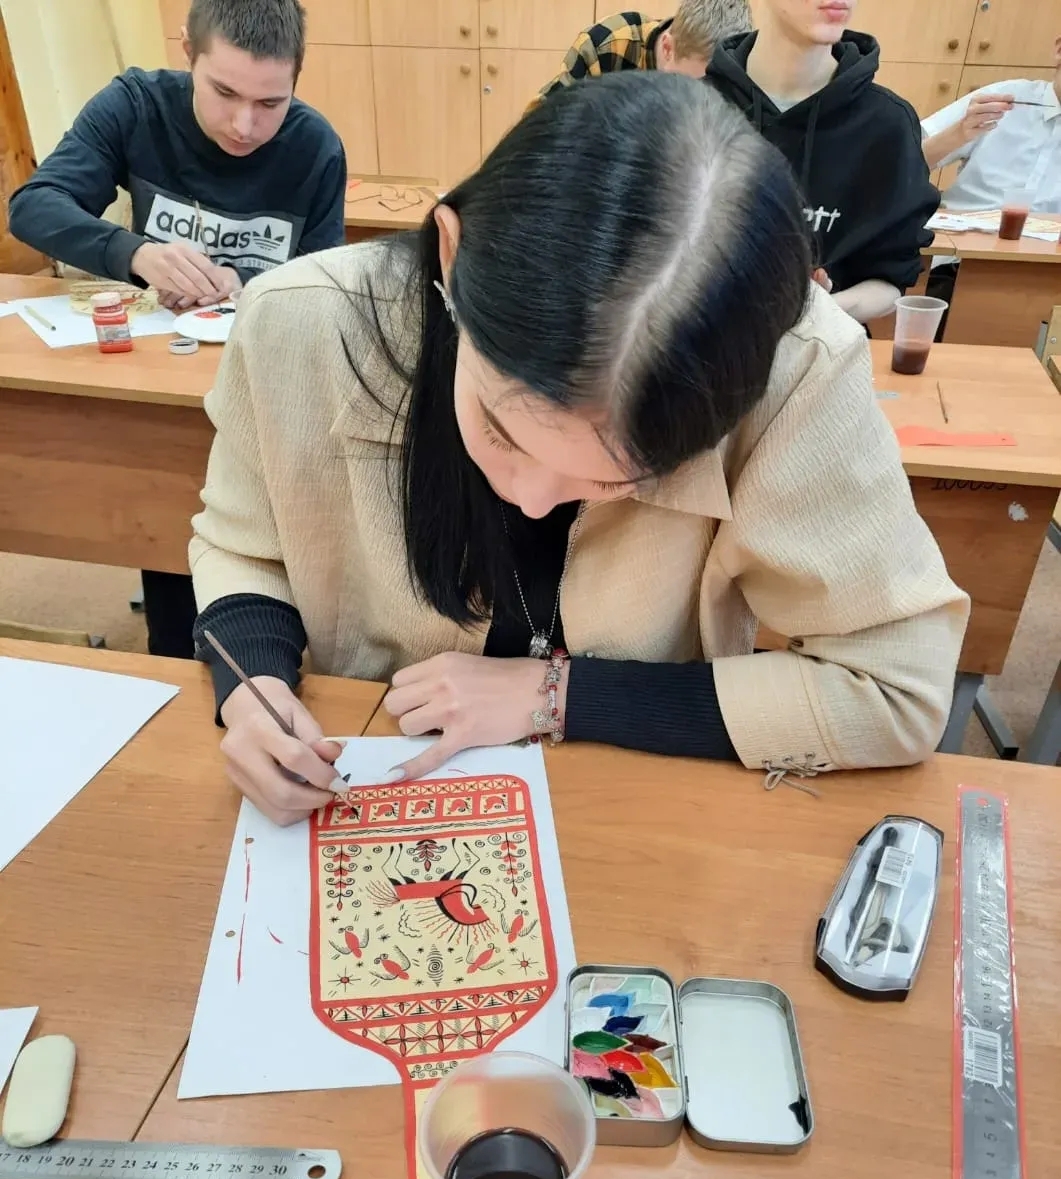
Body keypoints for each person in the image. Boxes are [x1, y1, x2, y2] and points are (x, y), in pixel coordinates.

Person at [188, 74, 968, 828]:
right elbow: (243, 547)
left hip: (636, 798)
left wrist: (560, 695)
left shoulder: (795, 370)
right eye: (501, 430)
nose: (530, 500)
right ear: (452, 255)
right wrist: (252, 685)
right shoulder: (300, 321)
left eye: (617, 479)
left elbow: (894, 689)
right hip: (369, 767)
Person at [9, 0, 346, 661]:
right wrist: (133, 252)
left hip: (260, 381)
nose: (245, 125)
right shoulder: (137, 105)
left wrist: (256, 288)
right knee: (166, 510)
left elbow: (327, 285)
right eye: (224, 93)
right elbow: (34, 206)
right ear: (188, 51)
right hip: (161, 375)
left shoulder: (314, 147)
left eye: (270, 103)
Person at [706, 0, 939, 323]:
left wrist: (815, 312)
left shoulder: (887, 123)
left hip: (823, 345)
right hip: (700, 346)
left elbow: (890, 277)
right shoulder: (691, 110)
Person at [920, 39, 1061, 333]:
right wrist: (959, 133)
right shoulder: (1005, 99)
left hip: (1048, 276)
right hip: (959, 263)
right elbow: (902, 163)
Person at [534, 0, 752, 104]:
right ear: (667, 48)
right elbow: (539, 128)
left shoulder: (739, 78)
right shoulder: (609, 44)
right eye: (693, 85)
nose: (697, 101)